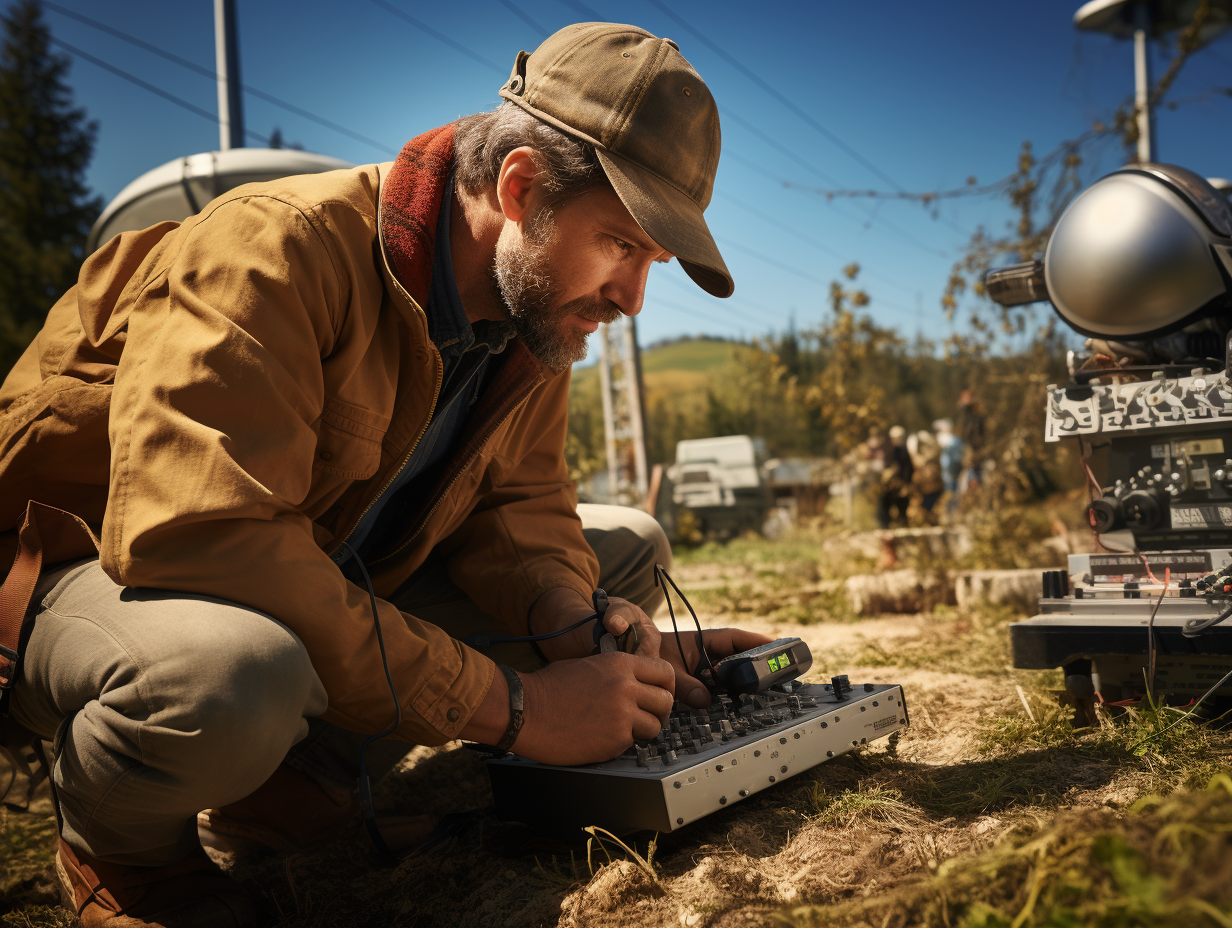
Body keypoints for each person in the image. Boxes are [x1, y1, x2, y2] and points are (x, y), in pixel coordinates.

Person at [0, 23, 770, 928]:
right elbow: (205, 545)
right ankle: (118, 847)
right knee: (231, 676)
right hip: (80, 578)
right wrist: (517, 707)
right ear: (520, 188)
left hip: (302, 579)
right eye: (621, 246)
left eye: (653, 263)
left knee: (623, 551)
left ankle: (285, 789)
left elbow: (521, 508)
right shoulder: (273, 251)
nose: (634, 299)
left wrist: (574, 626)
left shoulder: (536, 320)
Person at [874, 425, 914, 530]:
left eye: (900, 437)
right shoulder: (887, 450)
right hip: (887, 487)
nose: (897, 440)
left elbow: (908, 468)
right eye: (895, 437)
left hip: (900, 486)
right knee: (884, 510)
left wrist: (906, 484)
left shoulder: (904, 451)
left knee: (902, 510)